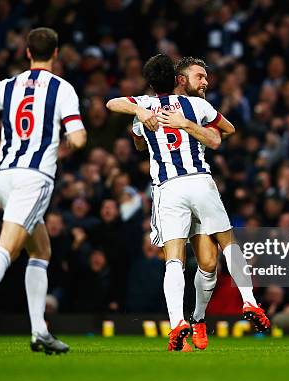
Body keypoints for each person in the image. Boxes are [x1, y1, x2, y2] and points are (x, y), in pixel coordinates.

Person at [106, 54, 269, 352]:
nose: (205, 82)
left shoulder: (143, 105)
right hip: (199, 182)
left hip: (169, 189)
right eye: (200, 77)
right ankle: (249, 300)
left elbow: (119, 114)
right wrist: (183, 124)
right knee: (226, 244)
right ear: (178, 79)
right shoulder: (198, 107)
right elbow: (225, 133)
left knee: (183, 260)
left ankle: (182, 321)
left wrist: (140, 115)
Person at [0, 27, 87, 355]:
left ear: (27, 52)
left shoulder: (6, 85)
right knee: (8, 247)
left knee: (40, 251)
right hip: (34, 177)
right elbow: (79, 138)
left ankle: (39, 331)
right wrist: (63, 146)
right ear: (56, 53)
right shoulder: (62, 88)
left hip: (6, 176)